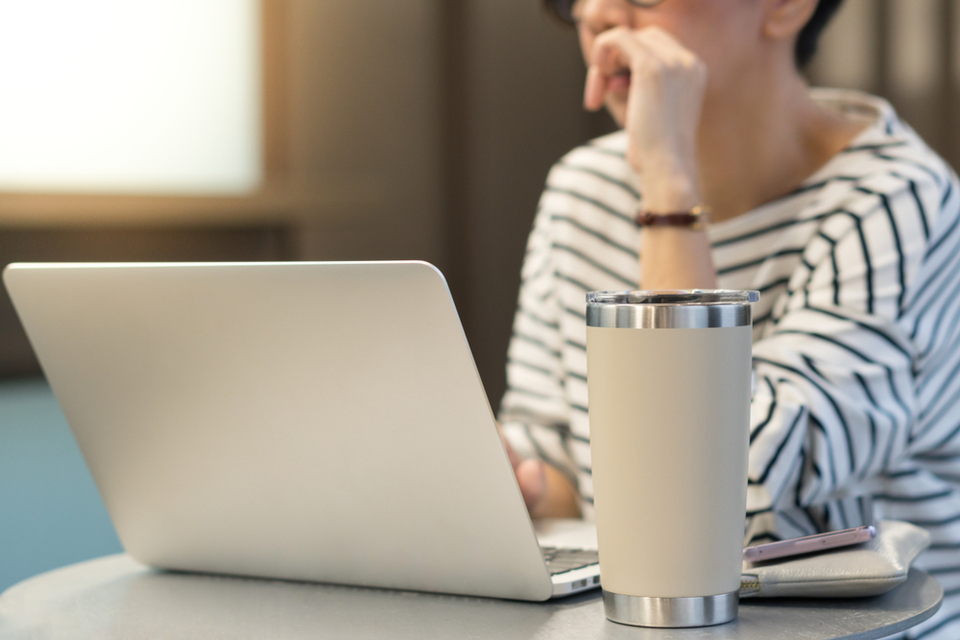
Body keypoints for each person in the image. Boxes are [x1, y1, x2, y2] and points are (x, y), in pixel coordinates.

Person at [497, 1, 960, 638]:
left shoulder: (896, 200)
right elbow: (568, 473)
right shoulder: (583, 191)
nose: (598, 13)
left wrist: (669, 190)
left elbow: (723, 493)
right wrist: (503, 481)